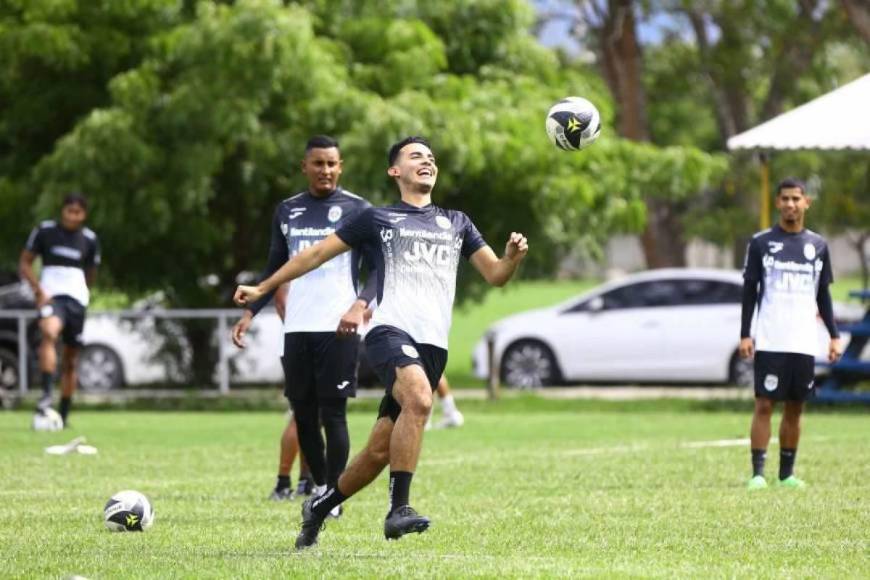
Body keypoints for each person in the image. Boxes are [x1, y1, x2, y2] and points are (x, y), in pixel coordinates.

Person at [234, 136, 528, 549]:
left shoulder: (458, 222)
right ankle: (398, 509)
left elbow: (495, 275)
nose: (427, 161)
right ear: (395, 171)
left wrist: (511, 258)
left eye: (431, 157)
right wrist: (263, 287)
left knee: (377, 452)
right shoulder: (376, 218)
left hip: (433, 346)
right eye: (416, 156)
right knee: (420, 401)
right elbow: (315, 254)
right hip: (390, 332)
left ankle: (318, 508)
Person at [232, 135, 375, 508]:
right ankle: (321, 487)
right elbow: (274, 266)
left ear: (340, 167)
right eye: (318, 163)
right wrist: (249, 313)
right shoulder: (287, 210)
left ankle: (334, 495)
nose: (325, 170)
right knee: (304, 415)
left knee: (334, 414)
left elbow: (380, 269)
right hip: (296, 327)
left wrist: (360, 305)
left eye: (331, 163)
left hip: (339, 326)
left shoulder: (360, 210)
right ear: (305, 167)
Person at [739, 178, 841, 490]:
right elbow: (750, 291)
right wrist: (746, 334)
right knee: (764, 405)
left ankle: (786, 474)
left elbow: (822, 294)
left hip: (803, 341)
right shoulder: (761, 243)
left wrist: (834, 335)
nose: (790, 204)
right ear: (777, 203)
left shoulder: (818, 245)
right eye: (785, 199)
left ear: (806, 203)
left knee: (795, 407)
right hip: (771, 338)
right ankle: (758, 474)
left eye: (796, 198)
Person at [19, 194, 101, 426]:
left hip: (77, 300)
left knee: (71, 360)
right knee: (49, 333)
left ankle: (63, 414)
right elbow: (25, 262)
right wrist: (38, 291)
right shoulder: (45, 231)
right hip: (51, 296)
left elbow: (91, 273)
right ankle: (45, 398)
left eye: (78, 212)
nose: (73, 216)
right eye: (69, 211)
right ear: (62, 210)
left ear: (84, 215)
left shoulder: (90, 239)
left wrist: (83, 292)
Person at [268, 283, 314, 501]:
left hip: (314, 344)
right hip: (301, 345)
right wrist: (301, 334)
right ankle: (283, 483)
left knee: (314, 418)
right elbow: (281, 301)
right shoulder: (291, 262)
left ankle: (306, 480)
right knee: (301, 416)